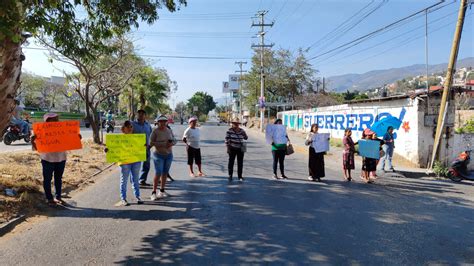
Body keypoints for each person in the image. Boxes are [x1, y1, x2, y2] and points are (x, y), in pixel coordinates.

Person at [31, 113, 80, 206]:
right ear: (47, 121)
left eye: (57, 119)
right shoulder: (40, 131)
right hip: (47, 159)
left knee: (58, 178)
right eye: (54, 119)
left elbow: (70, 142)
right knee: (47, 179)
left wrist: (77, 139)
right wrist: (32, 141)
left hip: (61, 158)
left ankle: (58, 196)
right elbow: (37, 148)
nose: (57, 121)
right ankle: (49, 198)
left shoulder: (63, 130)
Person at [105, 121, 143, 206]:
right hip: (124, 162)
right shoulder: (118, 139)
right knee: (124, 181)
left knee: (135, 179)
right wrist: (107, 150)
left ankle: (137, 196)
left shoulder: (137, 138)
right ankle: (123, 198)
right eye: (128, 126)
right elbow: (111, 149)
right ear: (123, 129)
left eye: (131, 127)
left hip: (136, 161)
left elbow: (141, 148)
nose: (130, 128)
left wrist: (143, 147)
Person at [149, 115, 176, 200]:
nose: (163, 123)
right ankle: (153, 192)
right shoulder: (155, 131)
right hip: (158, 155)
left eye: (164, 121)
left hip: (168, 155)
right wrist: (163, 143)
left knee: (165, 173)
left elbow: (175, 140)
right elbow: (151, 143)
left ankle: (162, 191)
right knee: (158, 173)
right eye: (161, 121)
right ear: (157, 122)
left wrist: (171, 143)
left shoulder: (169, 130)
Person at [132, 109, 153, 187]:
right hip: (135, 149)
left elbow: (151, 135)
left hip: (146, 149)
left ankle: (142, 180)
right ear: (137, 115)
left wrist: (150, 145)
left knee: (146, 165)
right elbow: (127, 133)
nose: (140, 115)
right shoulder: (132, 124)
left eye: (142, 114)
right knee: (135, 166)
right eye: (139, 114)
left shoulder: (148, 125)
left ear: (145, 115)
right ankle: (134, 181)